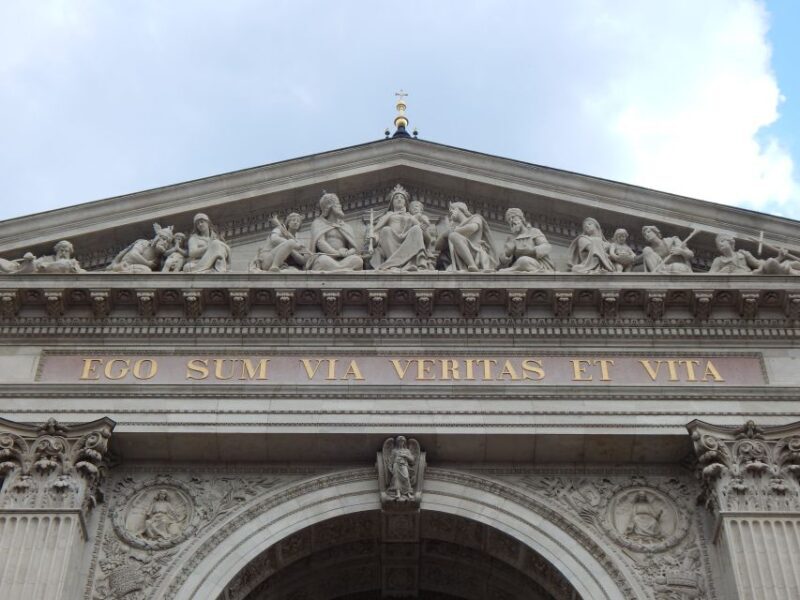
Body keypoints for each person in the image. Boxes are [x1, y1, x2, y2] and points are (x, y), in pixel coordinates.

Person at [369, 185, 430, 271]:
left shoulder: (411, 216)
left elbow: (427, 237)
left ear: (405, 202)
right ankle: (394, 264)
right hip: (391, 240)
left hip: (407, 240)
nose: (399, 199)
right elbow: (377, 231)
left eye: (402, 197)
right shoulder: (387, 215)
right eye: (396, 198)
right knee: (386, 230)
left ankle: (413, 263)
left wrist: (420, 226)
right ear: (392, 202)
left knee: (416, 228)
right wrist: (374, 238)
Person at [306, 193, 364, 271]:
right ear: (329, 207)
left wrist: (347, 253)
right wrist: (336, 253)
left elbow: (353, 248)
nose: (340, 206)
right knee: (322, 260)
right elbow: (320, 242)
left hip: (344, 259)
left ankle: (338, 270)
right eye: (337, 204)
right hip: (328, 257)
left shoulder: (346, 226)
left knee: (358, 260)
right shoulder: (318, 223)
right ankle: (341, 270)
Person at [435, 202, 498, 272]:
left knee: (453, 236)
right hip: (460, 256)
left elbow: (472, 228)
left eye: (452, 210)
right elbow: (437, 247)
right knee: (452, 236)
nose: (450, 213)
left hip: (475, 252)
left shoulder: (476, 218)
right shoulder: (454, 228)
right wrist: (445, 233)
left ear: (460, 209)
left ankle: (472, 264)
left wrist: (454, 230)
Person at [710, 233, 798, 275]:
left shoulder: (743, 254)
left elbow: (759, 263)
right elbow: (709, 275)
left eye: (722, 241)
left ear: (730, 242)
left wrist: (779, 257)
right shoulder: (718, 260)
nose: (720, 245)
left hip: (751, 277)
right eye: (718, 244)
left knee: (772, 262)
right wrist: (721, 273)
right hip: (738, 281)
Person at [498, 208, 554, 273]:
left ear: (521, 219)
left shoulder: (534, 231)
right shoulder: (511, 239)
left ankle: (512, 269)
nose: (511, 221)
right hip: (520, 263)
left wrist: (531, 251)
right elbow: (502, 262)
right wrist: (508, 252)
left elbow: (546, 247)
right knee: (522, 261)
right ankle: (513, 269)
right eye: (509, 220)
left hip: (536, 264)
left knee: (523, 260)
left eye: (513, 217)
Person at [107, 224, 174, 273]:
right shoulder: (144, 243)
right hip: (124, 266)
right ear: (157, 238)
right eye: (163, 239)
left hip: (138, 269)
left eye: (168, 242)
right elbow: (133, 254)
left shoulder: (159, 257)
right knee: (146, 271)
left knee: (146, 271)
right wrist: (147, 263)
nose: (165, 243)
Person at [387, 436, 416, 500]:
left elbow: (412, 460)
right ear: (397, 442)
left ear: (404, 442)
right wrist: (390, 468)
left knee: (406, 478)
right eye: (399, 441)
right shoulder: (394, 451)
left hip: (404, 465)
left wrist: (406, 456)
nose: (401, 442)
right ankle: (398, 493)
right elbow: (391, 460)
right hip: (396, 465)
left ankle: (408, 493)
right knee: (396, 478)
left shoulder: (407, 451)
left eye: (402, 441)